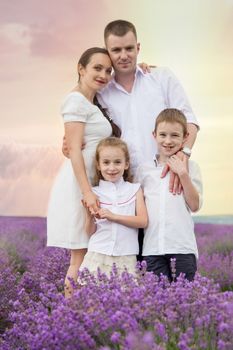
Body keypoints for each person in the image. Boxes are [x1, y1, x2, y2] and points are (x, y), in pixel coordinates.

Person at [47, 47, 118, 297]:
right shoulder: (76, 100)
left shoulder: (90, 101)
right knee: (80, 255)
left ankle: (78, 313)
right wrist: (87, 191)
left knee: (87, 254)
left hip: (90, 180)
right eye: (97, 68)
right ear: (81, 68)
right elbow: (75, 150)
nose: (104, 74)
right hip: (80, 183)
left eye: (108, 70)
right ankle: (71, 316)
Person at [135, 108, 203, 281]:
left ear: (185, 137)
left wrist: (183, 174)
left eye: (174, 135)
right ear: (154, 135)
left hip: (182, 247)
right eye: (163, 135)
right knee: (157, 303)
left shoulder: (191, 167)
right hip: (152, 249)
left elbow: (195, 206)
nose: (168, 141)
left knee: (185, 301)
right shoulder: (144, 170)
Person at [79, 137, 148, 276]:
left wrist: (113, 216)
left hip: (126, 256)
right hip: (98, 253)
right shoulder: (94, 194)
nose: (112, 168)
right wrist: (89, 216)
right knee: (94, 297)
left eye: (117, 162)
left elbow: (142, 221)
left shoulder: (134, 190)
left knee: (125, 297)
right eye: (106, 162)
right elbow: (89, 232)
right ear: (98, 165)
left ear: (126, 164)